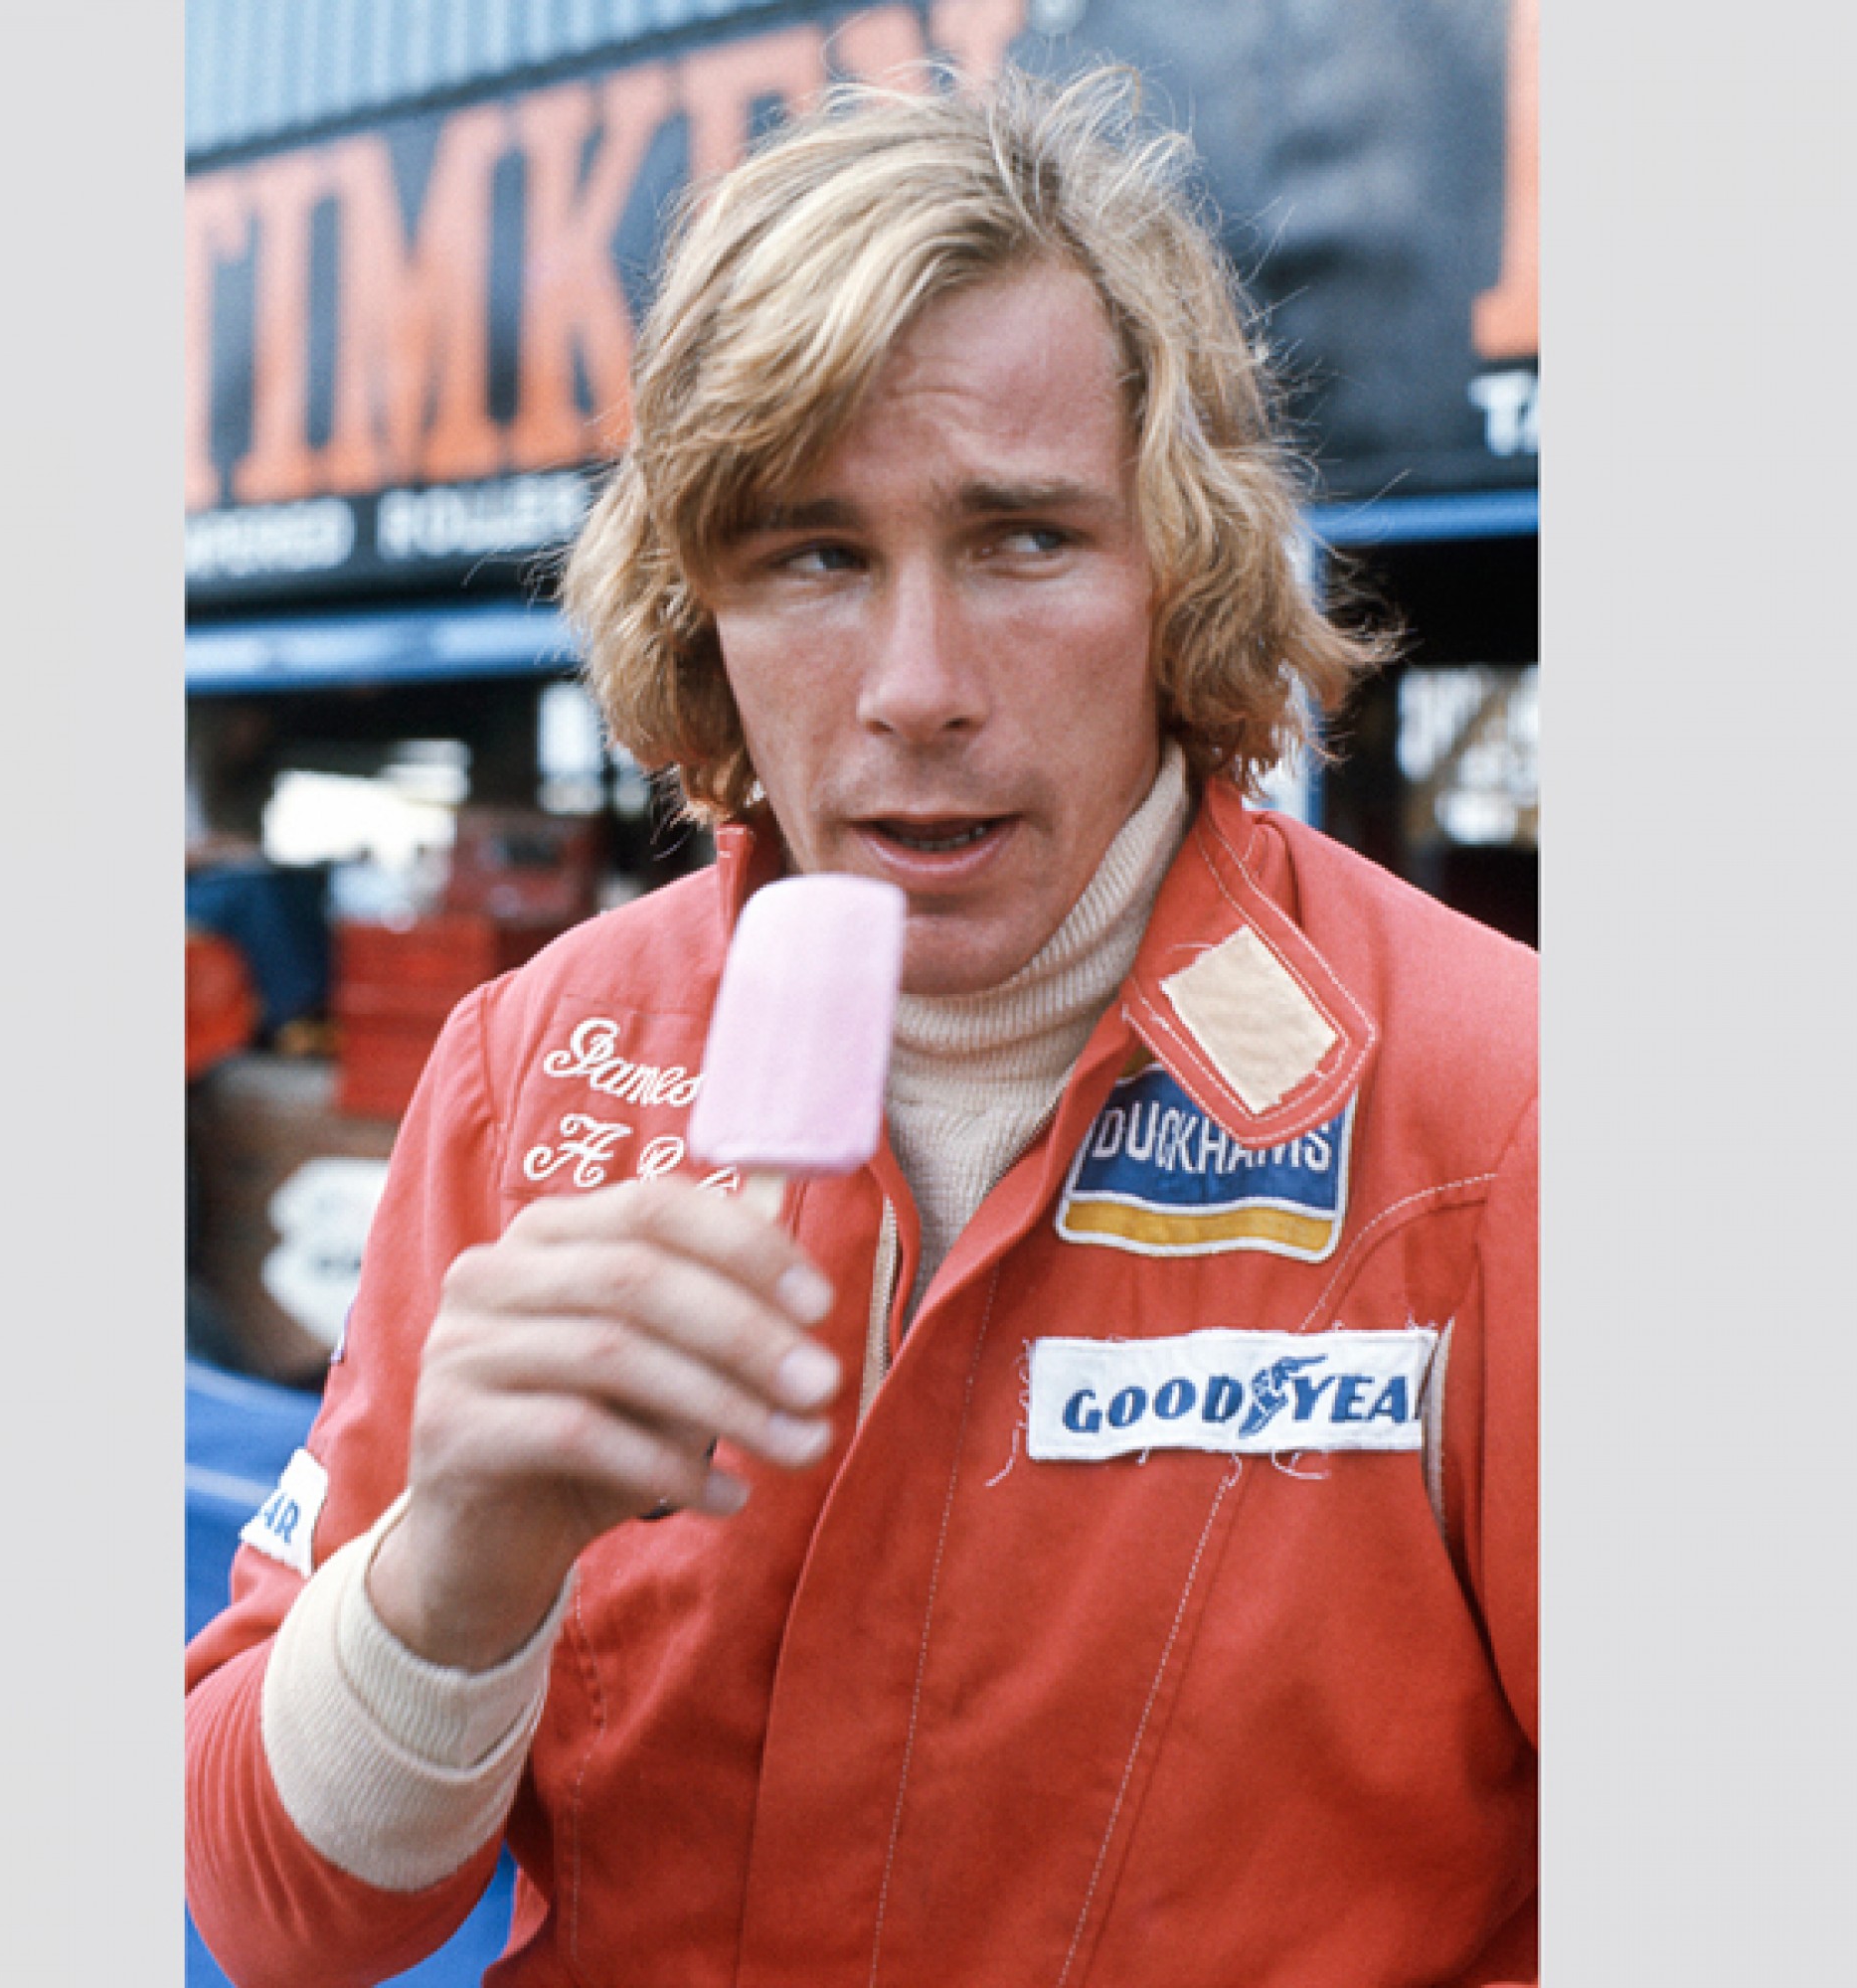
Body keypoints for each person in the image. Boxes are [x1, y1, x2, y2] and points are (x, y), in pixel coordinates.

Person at [186, 67, 1537, 1988]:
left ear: (1180, 570)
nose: (917, 689)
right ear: (702, 613)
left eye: (1022, 541)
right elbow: (275, 1920)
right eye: (814, 557)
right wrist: (449, 1578)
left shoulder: (1507, 1116)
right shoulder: (535, 1069)